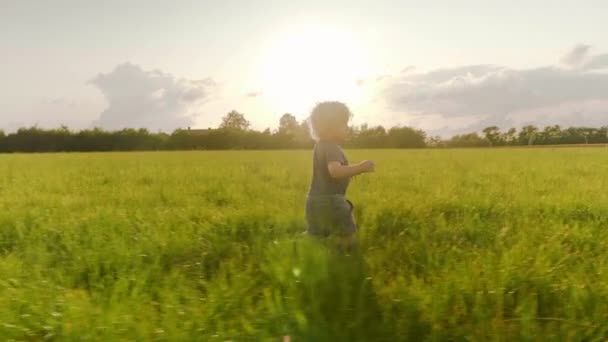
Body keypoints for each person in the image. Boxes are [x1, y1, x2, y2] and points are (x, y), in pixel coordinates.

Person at [305, 101, 375, 252]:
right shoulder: (332, 147)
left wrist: (349, 172)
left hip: (313, 200)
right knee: (346, 234)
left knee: (316, 236)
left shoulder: (320, 146)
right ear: (331, 126)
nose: (347, 127)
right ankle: (346, 257)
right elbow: (335, 171)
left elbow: (329, 172)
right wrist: (361, 167)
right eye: (344, 124)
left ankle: (300, 251)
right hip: (332, 200)